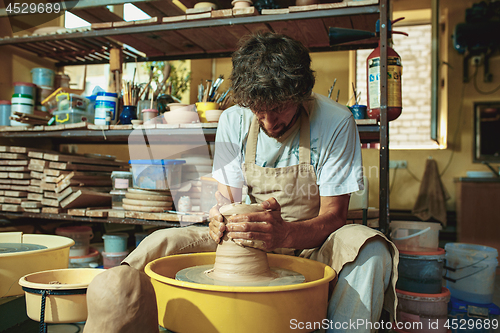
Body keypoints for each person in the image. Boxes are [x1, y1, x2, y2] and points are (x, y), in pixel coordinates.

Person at [123, 32, 398, 332]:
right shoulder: (233, 119)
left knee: (371, 250)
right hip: (245, 240)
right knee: (160, 242)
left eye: (279, 108)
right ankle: (112, 303)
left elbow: (335, 216)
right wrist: (218, 218)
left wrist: (285, 235)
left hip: (311, 244)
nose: (268, 122)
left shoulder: (335, 121)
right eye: (259, 111)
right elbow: (226, 199)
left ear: (300, 93)